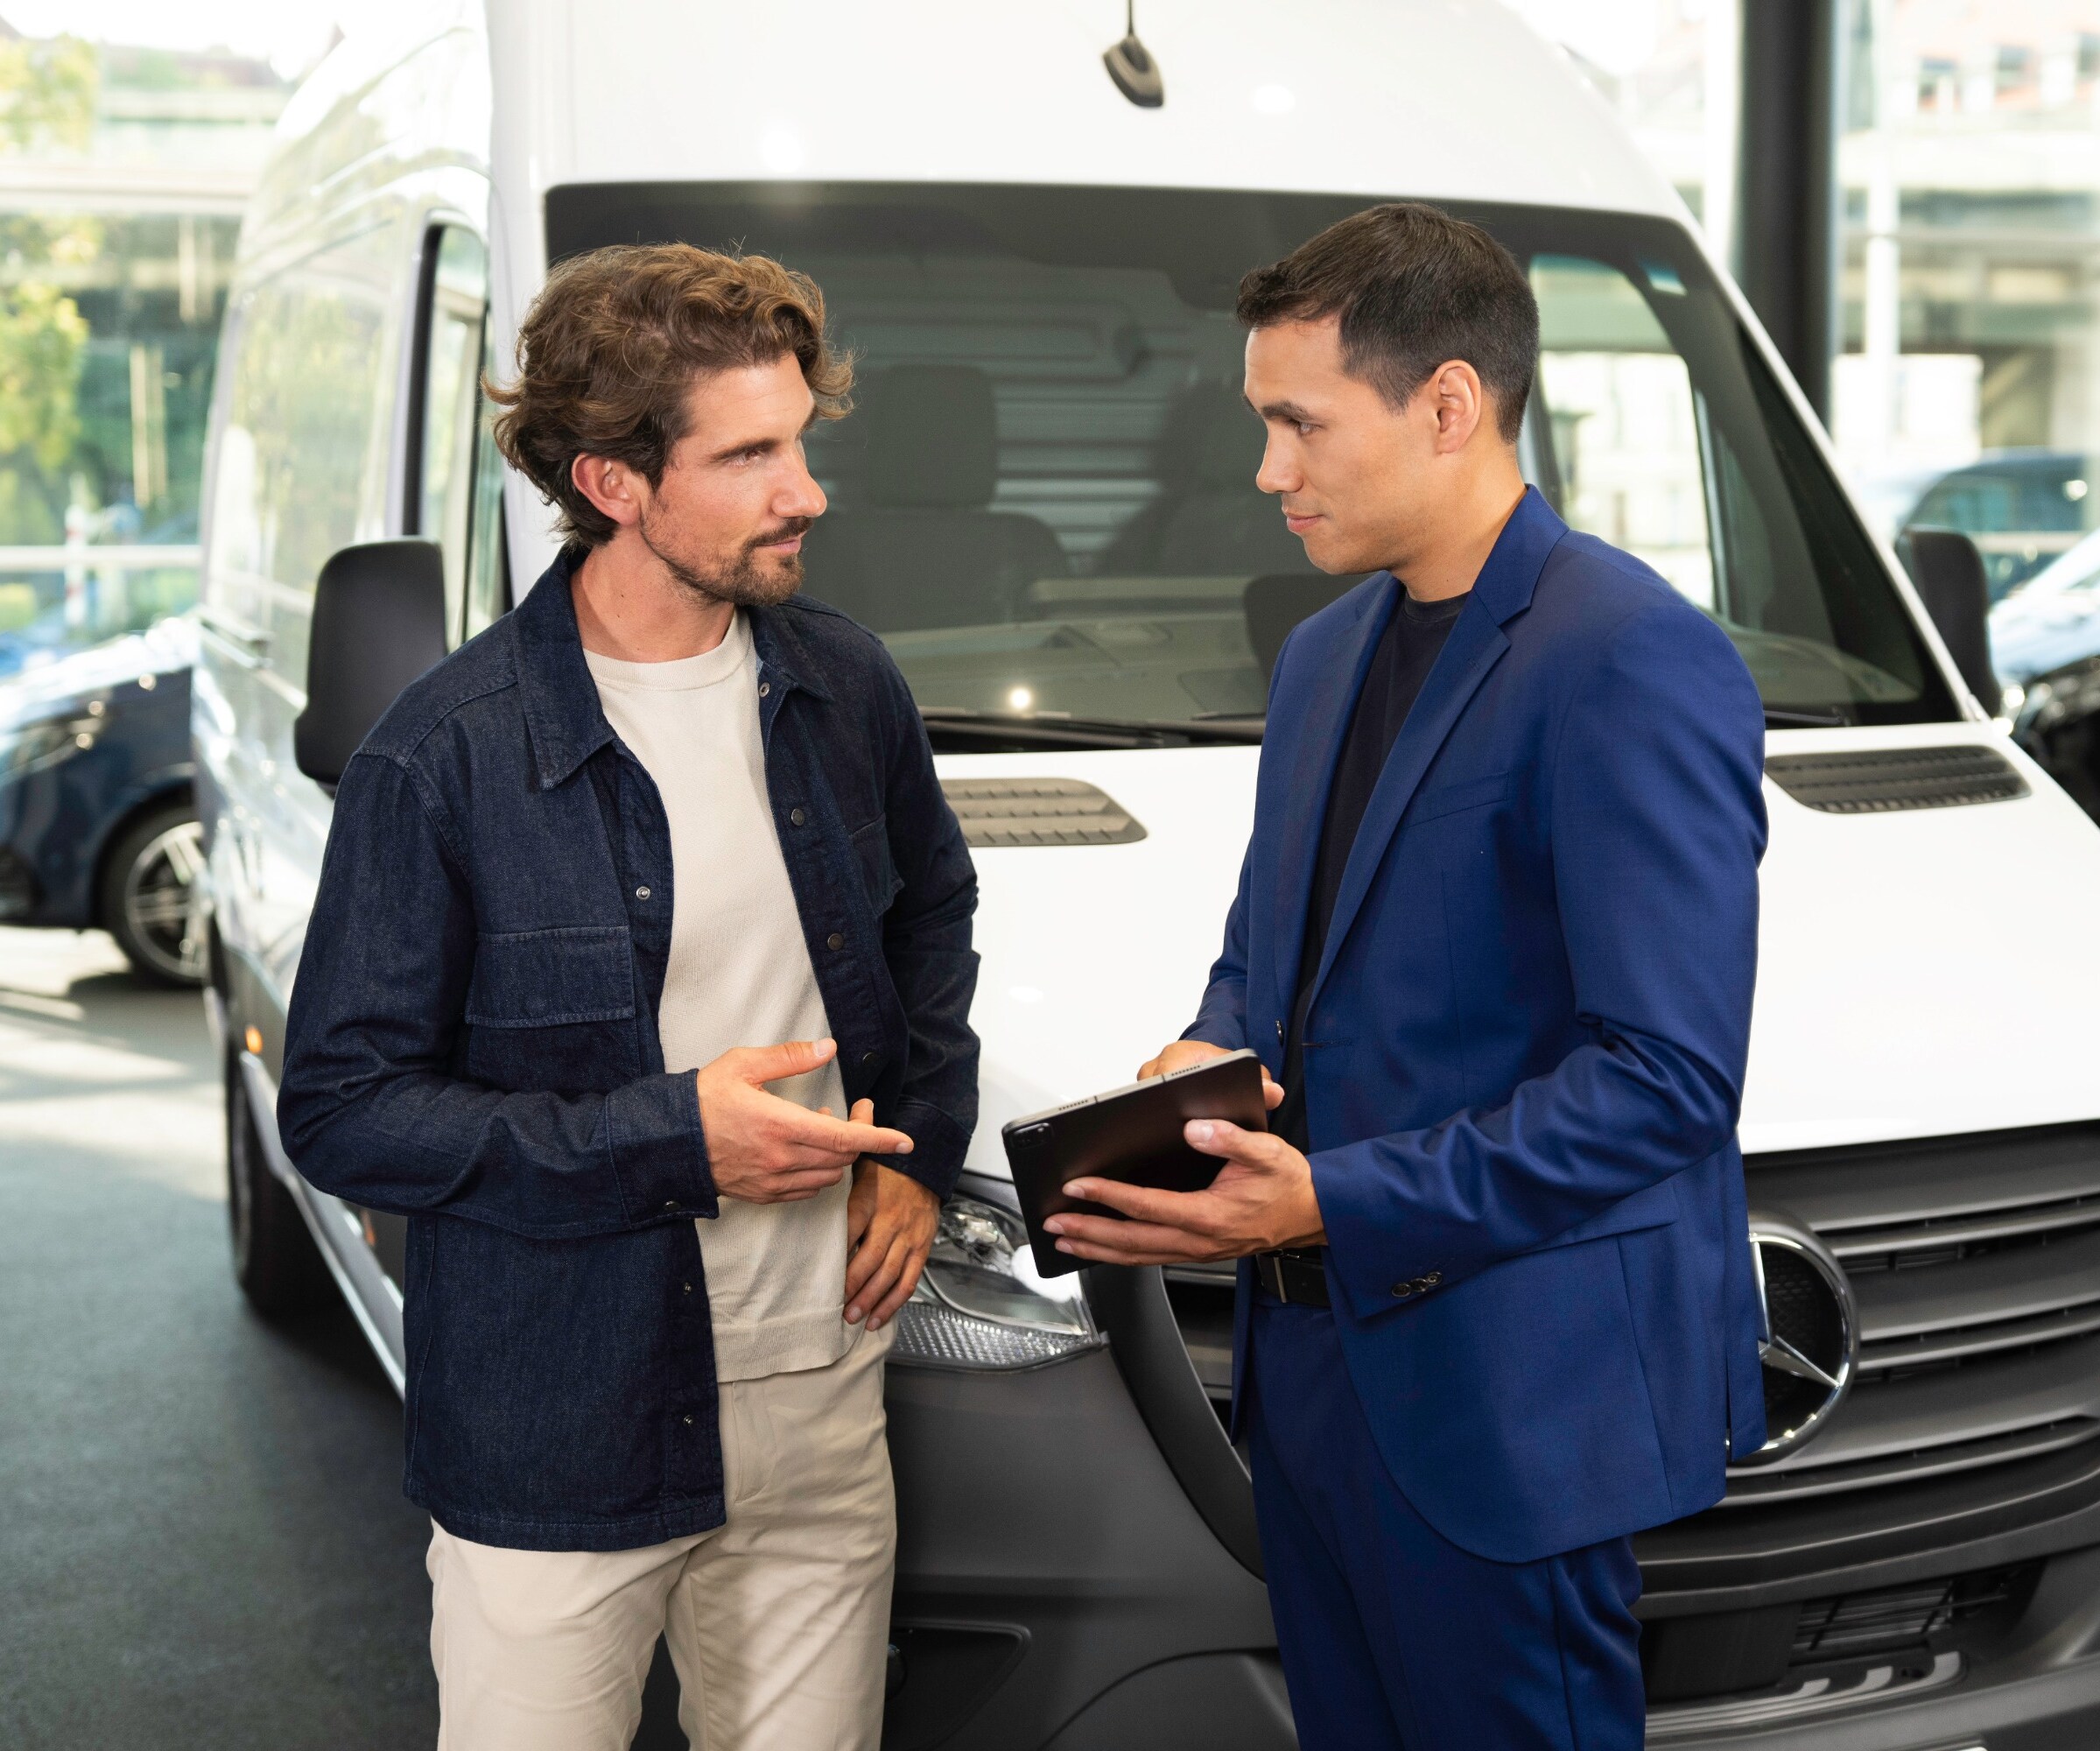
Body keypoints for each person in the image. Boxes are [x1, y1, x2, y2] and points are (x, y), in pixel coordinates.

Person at [1044, 204, 1769, 1748]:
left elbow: (1666, 1084)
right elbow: (1267, 967)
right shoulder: (1320, 658)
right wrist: (1195, 1063)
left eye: (1297, 424)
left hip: (1513, 1407)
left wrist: (1331, 1202)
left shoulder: (1630, 656)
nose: (1266, 472)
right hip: (1315, 1395)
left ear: (1448, 405)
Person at [277, 243, 980, 1751]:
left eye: (800, 441)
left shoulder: (846, 689)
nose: (806, 492)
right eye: (750, 456)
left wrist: (918, 1146)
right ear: (613, 483)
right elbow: (342, 1110)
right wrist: (673, 1143)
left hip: (817, 1394)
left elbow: (931, 919)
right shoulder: (443, 756)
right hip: (560, 1419)